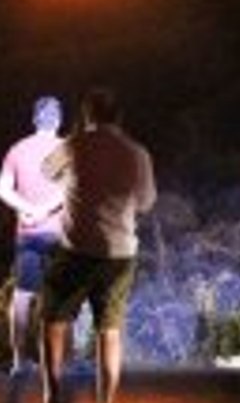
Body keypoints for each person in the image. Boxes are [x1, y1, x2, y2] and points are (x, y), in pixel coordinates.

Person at [38, 87, 157, 403]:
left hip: (75, 249)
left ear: (87, 114)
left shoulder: (74, 145)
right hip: (119, 254)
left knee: (53, 320)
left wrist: (71, 182)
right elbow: (145, 203)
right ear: (119, 116)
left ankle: (52, 395)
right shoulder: (138, 152)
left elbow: (46, 171)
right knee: (110, 330)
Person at [0, 95, 66, 374]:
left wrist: (28, 210)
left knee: (23, 297)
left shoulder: (18, 149)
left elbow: (1, 189)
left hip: (28, 234)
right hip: (58, 235)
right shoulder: (65, 150)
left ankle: (19, 362)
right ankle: (55, 361)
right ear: (58, 120)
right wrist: (44, 211)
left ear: (34, 119)